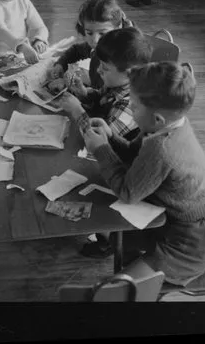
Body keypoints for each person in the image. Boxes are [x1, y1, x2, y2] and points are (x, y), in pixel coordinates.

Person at [81, 61, 205, 283]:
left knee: (119, 288)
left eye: (133, 107)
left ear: (157, 119)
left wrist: (101, 150)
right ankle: (124, 251)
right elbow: (134, 154)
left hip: (190, 243)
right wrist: (110, 137)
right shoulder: (165, 127)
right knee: (110, 232)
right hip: (170, 220)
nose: (130, 110)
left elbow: (127, 193)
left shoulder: (162, 147)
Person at [58, 28, 152, 258]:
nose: (98, 70)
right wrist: (83, 92)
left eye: (105, 68)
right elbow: (101, 100)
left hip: (121, 172)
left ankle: (109, 239)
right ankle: (106, 236)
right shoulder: (117, 85)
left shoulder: (131, 102)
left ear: (129, 73)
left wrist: (79, 111)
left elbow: (98, 141)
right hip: (118, 162)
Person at [47, 0, 133, 95]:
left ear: (118, 29)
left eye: (102, 34)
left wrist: (71, 88)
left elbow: (105, 99)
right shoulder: (102, 45)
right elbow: (76, 50)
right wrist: (61, 64)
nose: (95, 40)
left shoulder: (122, 59)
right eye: (89, 33)